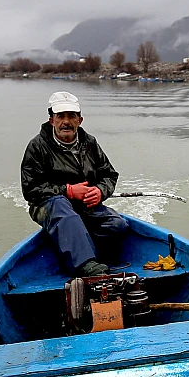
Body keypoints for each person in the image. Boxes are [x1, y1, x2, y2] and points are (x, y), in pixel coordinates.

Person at [20, 91, 129, 277]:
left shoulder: (90, 143)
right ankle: (84, 264)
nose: (66, 122)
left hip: (83, 206)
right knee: (62, 206)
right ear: (51, 120)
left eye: (72, 116)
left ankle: (81, 248)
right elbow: (30, 189)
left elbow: (109, 175)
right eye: (60, 116)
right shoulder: (37, 146)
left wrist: (100, 192)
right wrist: (67, 191)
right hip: (48, 204)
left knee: (118, 226)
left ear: (80, 120)